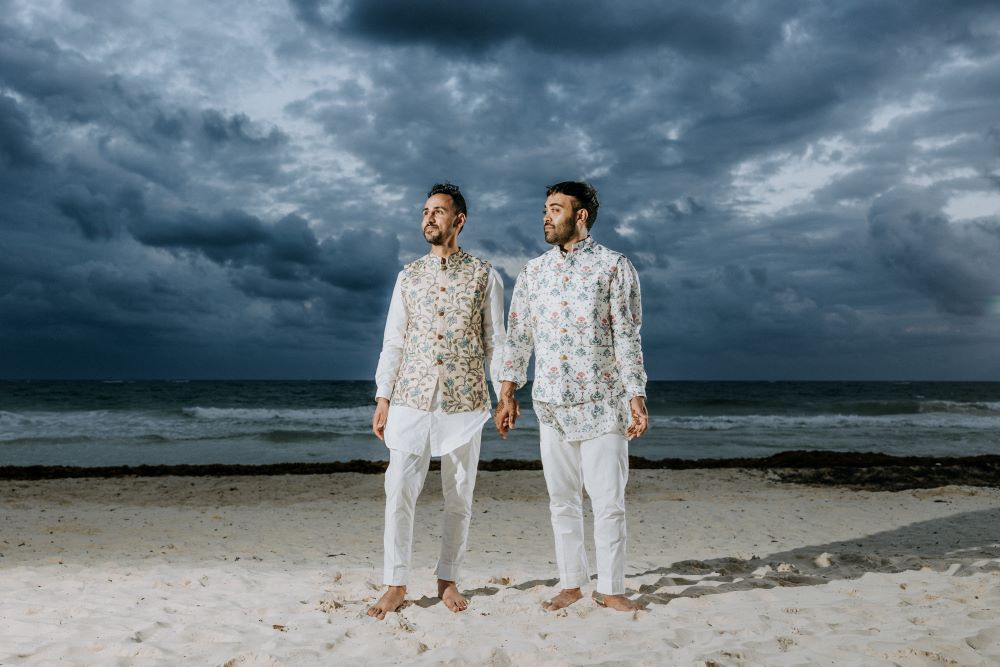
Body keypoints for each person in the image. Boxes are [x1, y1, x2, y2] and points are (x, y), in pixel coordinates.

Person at [495, 181, 648, 612]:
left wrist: (636, 395)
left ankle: (612, 588)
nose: (546, 216)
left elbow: (627, 336)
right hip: (551, 405)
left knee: (608, 502)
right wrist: (507, 392)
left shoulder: (615, 267)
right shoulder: (533, 272)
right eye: (545, 208)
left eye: (556, 209)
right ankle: (571, 582)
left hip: (603, 403)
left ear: (580, 216)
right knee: (561, 500)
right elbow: (519, 337)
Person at [368, 183, 505, 620]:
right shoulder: (408, 276)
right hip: (411, 398)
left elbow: (495, 342)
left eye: (438, 211)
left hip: (464, 402)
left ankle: (448, 579)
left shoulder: (485, 275)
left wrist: (505, 393)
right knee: (398, 492)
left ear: (458, 220)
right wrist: (383, 397)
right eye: (425, 211)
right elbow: (394, 341)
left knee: (459, 496)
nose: (429, 218)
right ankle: (395, 583)